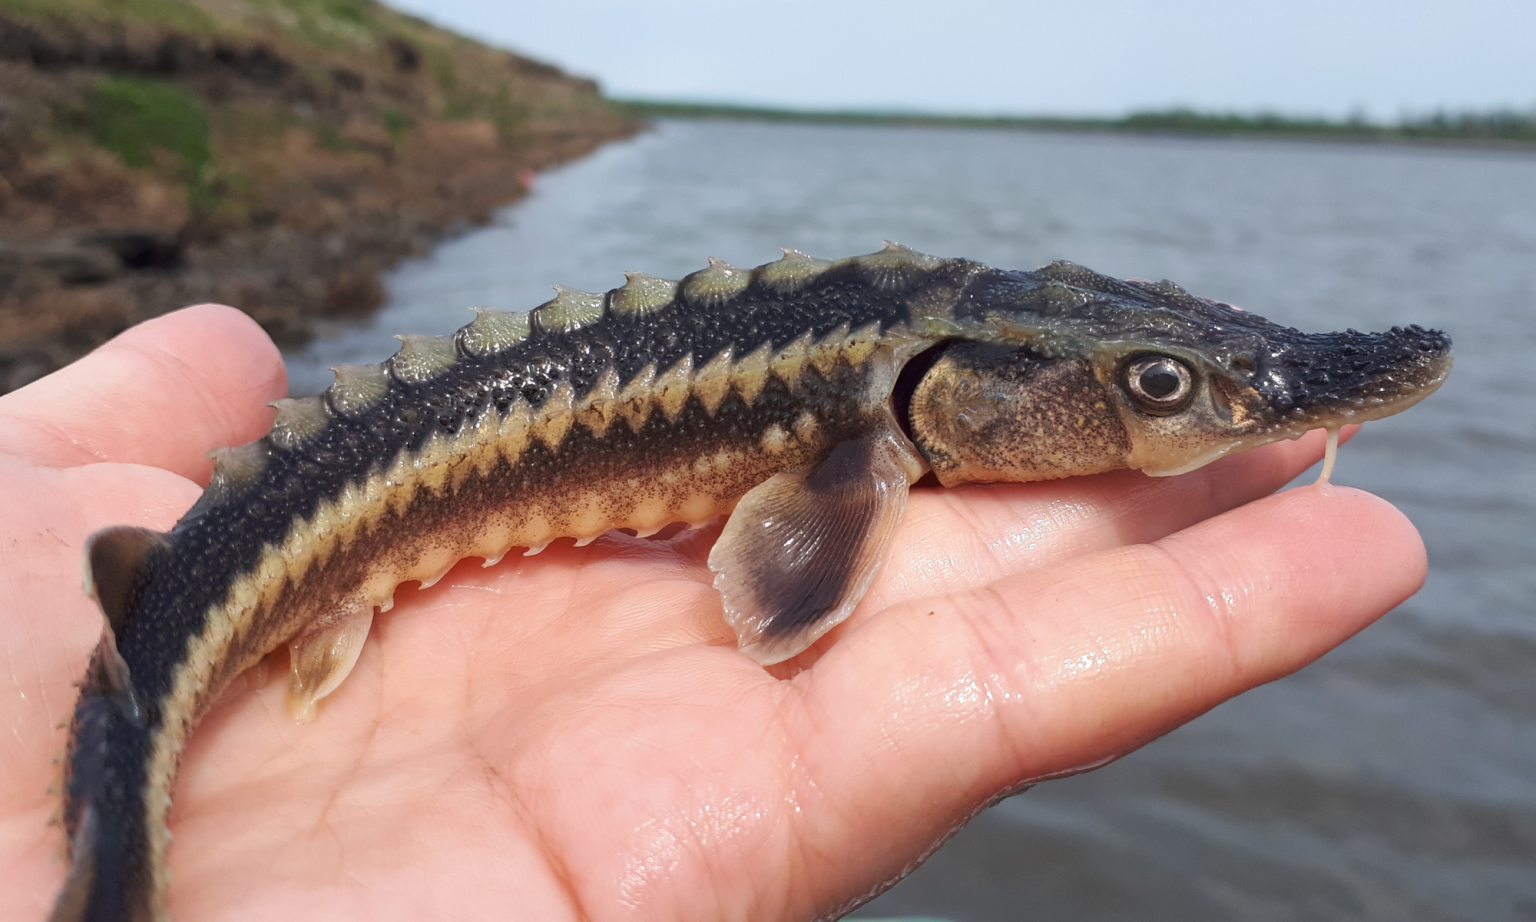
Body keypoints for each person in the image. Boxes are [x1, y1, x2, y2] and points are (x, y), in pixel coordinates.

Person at [1, 306, 1426, 920]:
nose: (1184, 415)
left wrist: (1267, 377)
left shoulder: (905, 389)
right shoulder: (859, 436)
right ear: (945, 383)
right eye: (1154, 385)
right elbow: (784, 587)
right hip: (276, 545)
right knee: (180, 667)